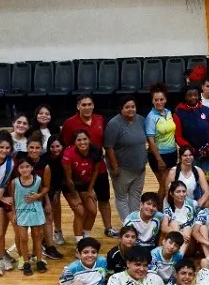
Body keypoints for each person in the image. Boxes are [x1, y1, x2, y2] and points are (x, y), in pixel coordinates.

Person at [61, 95, 116, 237]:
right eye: (83, 105)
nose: (87, 107)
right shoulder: (70, 123)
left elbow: (105, 142)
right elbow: (67, 145)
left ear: (93, 105)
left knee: (104, 199)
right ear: (78, 106)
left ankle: (108, 227)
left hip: (99, 168)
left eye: (89, 104)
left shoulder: (100, 120)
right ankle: (81, 236)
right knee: (85, 208)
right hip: (80, 172)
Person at [102, 95, 147, 223]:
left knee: (135, 196)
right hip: (122, 168)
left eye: (133, 107)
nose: (130, 109)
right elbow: (108, 147)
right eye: (127, 107)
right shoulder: (114, 124)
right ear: (121, 109)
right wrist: (115, 167)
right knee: (122, 197)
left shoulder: (141, 120)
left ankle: (135, 223)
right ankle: (127, 224)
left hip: (140, 168)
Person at [62, 130, 104, 244]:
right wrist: (75, 195)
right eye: (79, 140)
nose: (82, 142)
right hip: (70, 185)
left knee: (92, 211)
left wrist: (90, 190)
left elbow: (95, 171)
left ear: (89, 140)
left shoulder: (97, 151)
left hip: (85, 184)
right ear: (74, 142)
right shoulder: (68, 153)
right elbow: (68, 178)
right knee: (80, 212)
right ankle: (79, 243)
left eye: (85, 139)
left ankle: (86, 237)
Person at [10, 156, 48, 275]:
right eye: (22, 167)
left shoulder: (38, 180)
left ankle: (39, 260)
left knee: (37, 236)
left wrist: (39, 197)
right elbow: (12, 198)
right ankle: (26, 262)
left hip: (35, 211)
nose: (25, 169)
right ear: (18, 169)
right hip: (21, 212)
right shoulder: (14, 182)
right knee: (23, 238)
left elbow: (41, 193)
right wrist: (13, 213)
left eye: (27, 166)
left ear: (32, 167)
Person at [173, 85, 209, 173]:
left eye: (195, 95)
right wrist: (192, 151)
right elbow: (178, 136)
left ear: (199, 96)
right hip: (189, 155)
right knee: (192, 182)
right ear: (185, 96)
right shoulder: (178, 113)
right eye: (190, 95)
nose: (193, 97)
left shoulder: (207, 111)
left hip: (207, 153)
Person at [144, 84, 178, 197]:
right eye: (156, 100)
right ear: (152, 101)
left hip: (172, 154)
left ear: (166, 100)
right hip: (159, 156)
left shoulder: (168, 112)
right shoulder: (150, 117)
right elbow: (151, 141)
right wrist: (159, 160)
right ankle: (158, 212)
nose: (159, 102)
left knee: (171, 186)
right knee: (164, 187)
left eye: (161, 99)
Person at [163, 180, 199, 252]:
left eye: (184, 191)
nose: (182, 194)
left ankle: (179, 256)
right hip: (174, 243)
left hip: (190, 241)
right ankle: (178, 257)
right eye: (178, 192)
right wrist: (180, 233)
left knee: (188, 228)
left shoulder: (193, 204)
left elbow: (201, 222)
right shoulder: (168, 208)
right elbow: (164, 227)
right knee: (174, 223)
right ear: (171, 193)